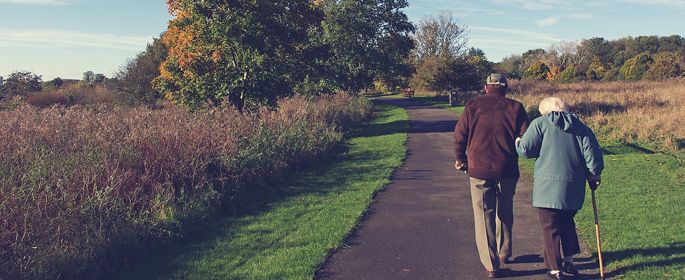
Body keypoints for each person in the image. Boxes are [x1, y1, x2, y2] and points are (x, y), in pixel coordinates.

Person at [515, 97, 604, 280]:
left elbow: (525, 150)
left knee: (550, 226)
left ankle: (555, 268)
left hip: (547, 186)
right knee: (567, 221)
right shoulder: (581, 126)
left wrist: (517, 141)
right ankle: (569, 261)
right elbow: (592, 156)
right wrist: (594, 174)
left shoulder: (540, 123)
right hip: (574, 185)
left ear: (544, 111)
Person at [453, 73, 530, 278]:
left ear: (486, 87)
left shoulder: (472, 105)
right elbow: (525, 137)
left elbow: (460, 135)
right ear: (505, 88)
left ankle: (491, 264)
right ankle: (504, 251)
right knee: (505, 210)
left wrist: (461, 159)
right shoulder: (516, 107)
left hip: (478, 168)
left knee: (483, 215)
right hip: (507, 168)